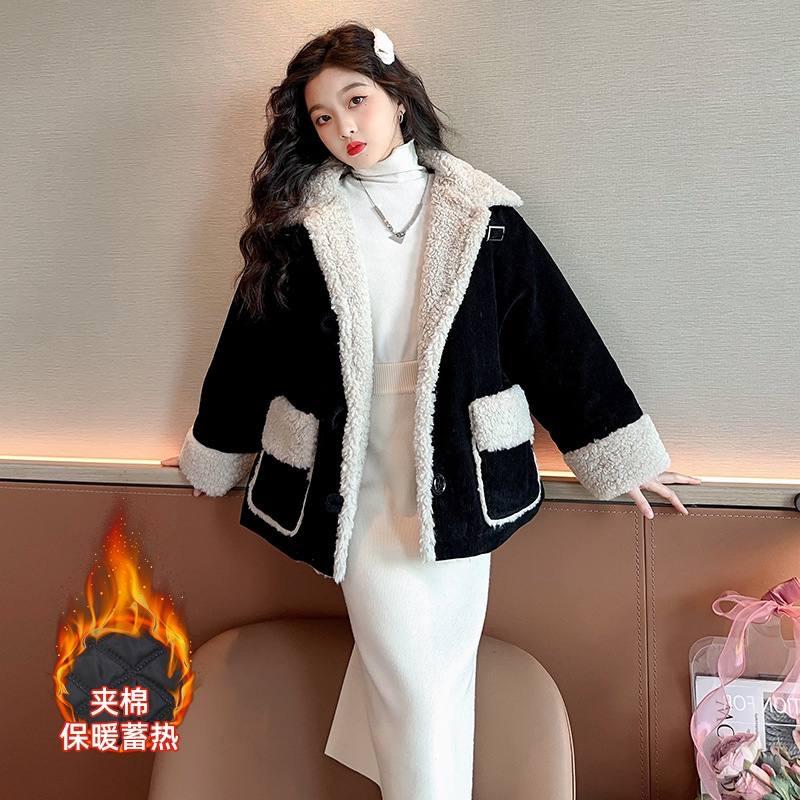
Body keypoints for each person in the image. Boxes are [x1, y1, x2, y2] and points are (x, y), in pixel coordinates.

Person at [161, 22, 701, 799]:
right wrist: (213, 452)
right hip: (357, 474)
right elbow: (248, 350)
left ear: (397, 98)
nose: (344, 128)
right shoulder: (304, 227)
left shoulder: (482, 216)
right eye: (322, 116)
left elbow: (554, 336)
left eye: (356, 101)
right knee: (411, 676)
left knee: (437, 671)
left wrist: (622, 457)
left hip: (457, 472)